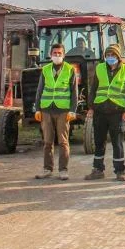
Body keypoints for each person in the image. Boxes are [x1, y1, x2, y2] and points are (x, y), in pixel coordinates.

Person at [85, 44, 125, 181]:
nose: (110, 57)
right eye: (108, 55)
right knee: (99, 141)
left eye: (113, 55)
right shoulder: (100, 68)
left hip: (117, 112)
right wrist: (91, 107)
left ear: (118, 57)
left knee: (117, 143)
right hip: (100, 111)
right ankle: (98, 170)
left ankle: (120, 171)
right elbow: (93, 88)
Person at [34, 43, 78, 180]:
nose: (57, 55)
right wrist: (37, 108)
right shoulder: (45, 69)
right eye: (55, 53)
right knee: (48, 141)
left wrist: (73, 110)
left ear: (64, 55)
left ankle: (63, 170)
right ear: (50, 54)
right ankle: (47, 169)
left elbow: (74, 92)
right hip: (47, 109)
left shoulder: (70, 70)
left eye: (60, 53)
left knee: (63, 142)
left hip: (63, 110)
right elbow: (40, 90)